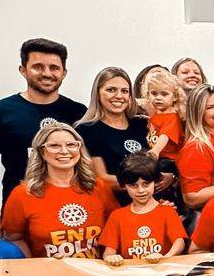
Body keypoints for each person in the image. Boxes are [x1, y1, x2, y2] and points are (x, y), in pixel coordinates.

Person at [0, 37, 86, 228]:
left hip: (71, 213)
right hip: (19, 214)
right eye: (38, 67)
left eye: (54, 68)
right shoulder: (0, 111)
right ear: (23, 70)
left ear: (64, 72)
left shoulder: (78, 113)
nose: (47, 73)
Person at [0, 122, 112, 259]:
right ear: (41, 152)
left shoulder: (98, 187)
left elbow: (115, 229)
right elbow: (13, 238)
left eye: (71, 145)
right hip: (48, 275)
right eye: (54, 146)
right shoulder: (22, 194)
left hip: (96, 273)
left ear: (80, 149)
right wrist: (33, 265)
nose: (64, 151)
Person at [76, 66, 153, 196]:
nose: (119, 96)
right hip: (114, 207)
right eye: (111, 90)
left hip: (153, 203)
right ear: (98, 94)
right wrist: (148, 184)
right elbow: (102, 179)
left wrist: (169, 175)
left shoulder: (142, 124)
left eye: (124, 91)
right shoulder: (86, 130)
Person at [98, 153, 187, 263]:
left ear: (155, 182)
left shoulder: (167, 211)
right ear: (124, 186)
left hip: (160, 273)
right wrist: (111, 258)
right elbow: (108, 252)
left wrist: (165, 257)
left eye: (146, 184)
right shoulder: (117, 216)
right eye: (133, 185)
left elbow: (179, 242)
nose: (141, 190)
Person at [140, 66, 187, 159]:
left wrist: (155, 151)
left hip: (168, 159)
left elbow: (164, 136)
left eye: (164, 94)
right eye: (154, 93)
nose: (158, 98)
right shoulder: (159, 114)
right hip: (158, 155)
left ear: (175, 97)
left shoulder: (172, 117)